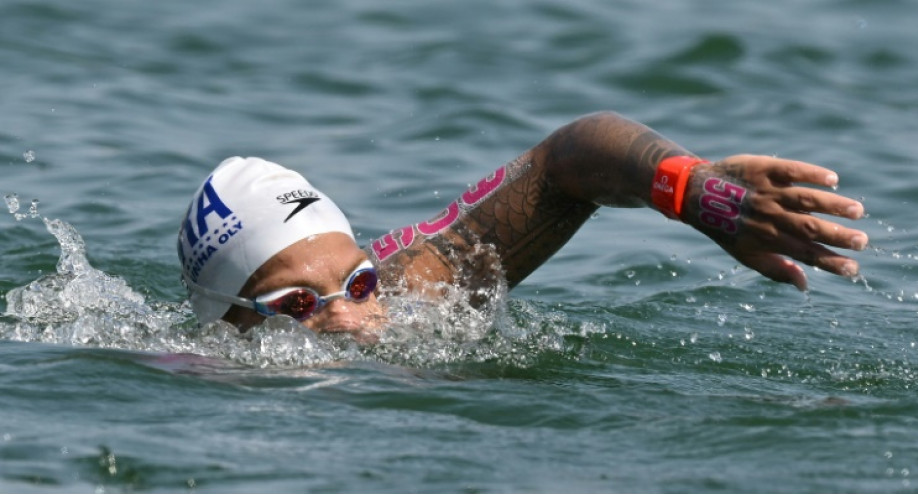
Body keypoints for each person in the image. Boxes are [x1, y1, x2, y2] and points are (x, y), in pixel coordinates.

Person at [177, 111, 868, 341]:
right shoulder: (193, 370)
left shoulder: (417, 287)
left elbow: (566, 158)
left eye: (359, 282)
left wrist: (694, 191)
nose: (356, 319)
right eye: (298, 305)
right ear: (229, 325)